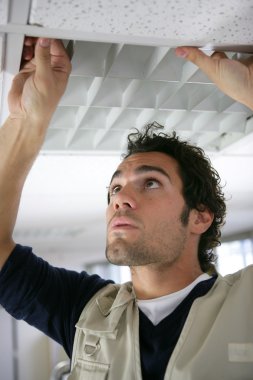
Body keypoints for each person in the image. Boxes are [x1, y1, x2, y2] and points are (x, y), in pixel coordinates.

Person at [0, 38, 253, 380]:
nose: (119, 198)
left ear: (200, 216)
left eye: (150, 183)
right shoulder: (84, 309)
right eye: (115, 187)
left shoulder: (245, 302)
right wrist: (25, 120)